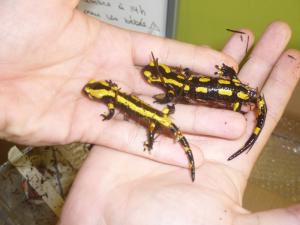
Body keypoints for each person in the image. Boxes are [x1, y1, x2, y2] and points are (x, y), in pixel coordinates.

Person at [0, 2, 299, 225]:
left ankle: (238, 112)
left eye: (157, 79)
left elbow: (169, 94)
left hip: (230, 96)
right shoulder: (166, 85)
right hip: (207, 98)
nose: (151, 79)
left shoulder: (172, 88)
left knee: (226, 100)